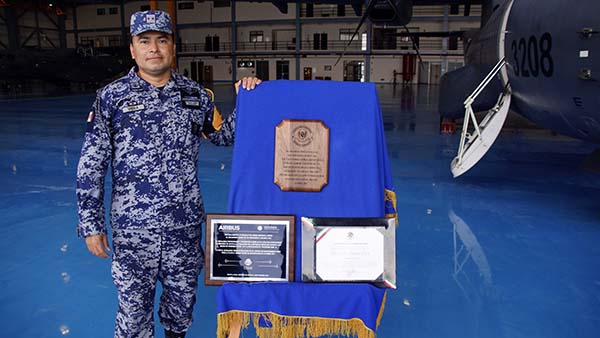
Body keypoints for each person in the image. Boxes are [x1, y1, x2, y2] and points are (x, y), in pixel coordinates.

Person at [76, 10, 261, 338]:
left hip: (184, 230)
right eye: (144, 41)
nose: (154, 48)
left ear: (173, 47)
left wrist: (249, 99)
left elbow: (223, 136)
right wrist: (91, 224)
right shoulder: (111, 98)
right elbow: (92, 163)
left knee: (180, 310)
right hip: (134, 231)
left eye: (162, 40)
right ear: (132, 49)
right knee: (133, 318)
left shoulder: (197, 97)